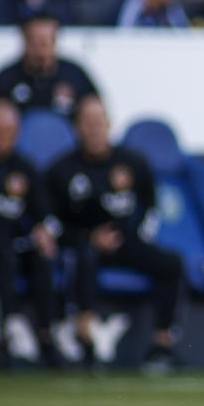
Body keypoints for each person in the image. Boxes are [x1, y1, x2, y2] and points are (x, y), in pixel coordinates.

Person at [46, 95, 184, 371]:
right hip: (83, 245)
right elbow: (53, 224)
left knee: (172, 263)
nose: (94, 129)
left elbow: (149, 208)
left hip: (125, 242)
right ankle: (86, 343)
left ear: (109, 124)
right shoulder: (60, 170)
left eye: (99, 122)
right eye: (88, 123)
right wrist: (88, 238)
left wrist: (129, 236)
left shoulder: (133, 163)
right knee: (82, 258)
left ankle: (162, 345)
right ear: (77, 127)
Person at [0, 98, 61, 369]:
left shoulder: (25, 168)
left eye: (8, 132)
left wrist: (46, 231)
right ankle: (8, 330)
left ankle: (46, 335)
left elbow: (46, 213)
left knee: (42, 256)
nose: (3, 139)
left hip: (18, 244)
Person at [0, 13, 98, 118]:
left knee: (93, 109)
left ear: (54, 42)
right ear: (24, 41)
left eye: (44, 43)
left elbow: (96, 108)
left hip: (66, 133)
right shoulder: (7, 78)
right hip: (20, 133)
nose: (40, 52)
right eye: (34, 43)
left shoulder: (75, 75)